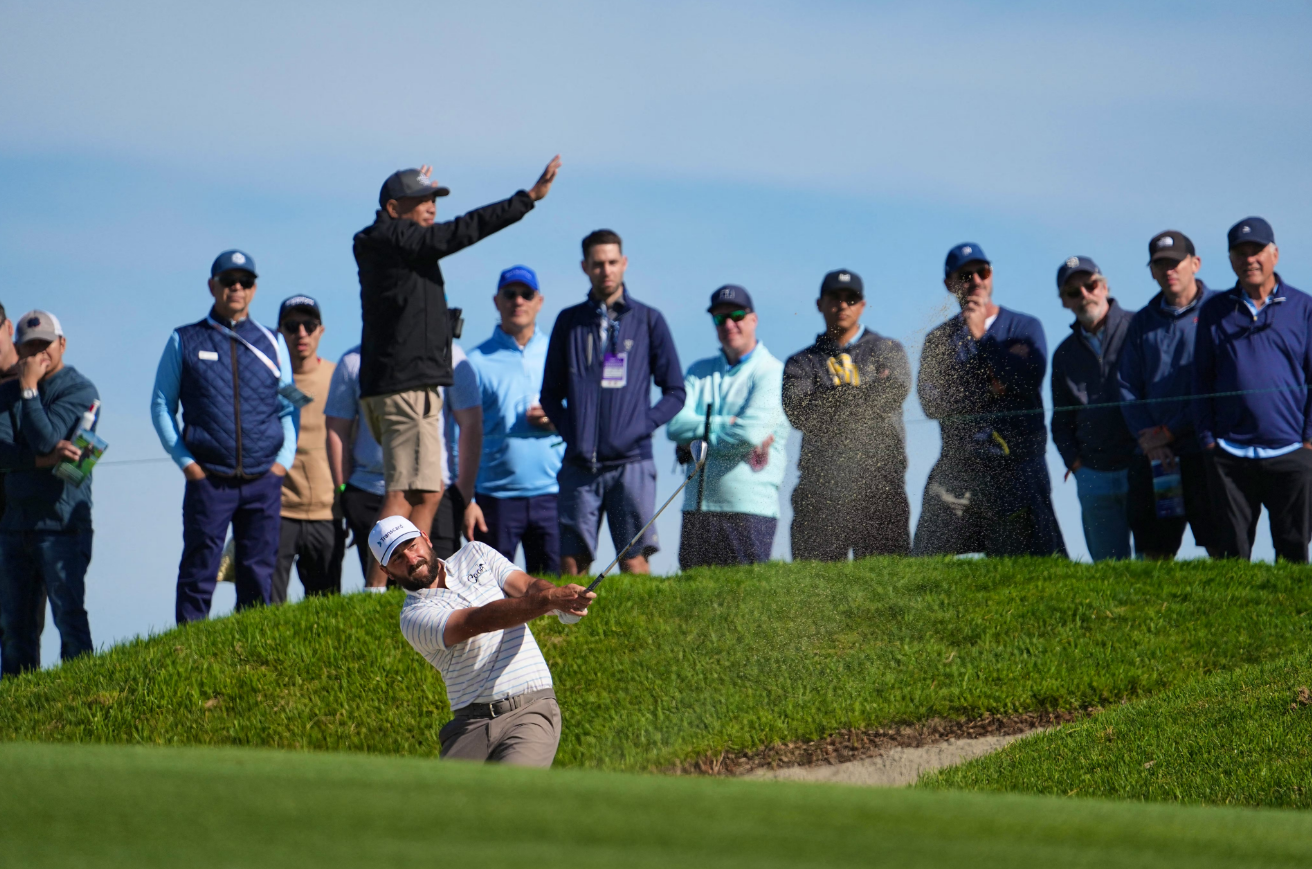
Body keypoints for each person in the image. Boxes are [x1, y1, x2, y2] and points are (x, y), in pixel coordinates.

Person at [354, 157, 560, 541]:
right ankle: (376, 590)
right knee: (402, 493)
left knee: (428, 492)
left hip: (415, 383)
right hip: (405, 386)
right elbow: (463, 231)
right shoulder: (389, 238)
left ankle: (417, 587)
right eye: (422, 200)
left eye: (435, 198)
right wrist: (527, 199)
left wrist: (414, 193)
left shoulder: (399, 242)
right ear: (394, 209)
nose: (432, 206)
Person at [151, 250, 297, 623]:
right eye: (229, 281)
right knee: (200, 569)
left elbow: (290, 407)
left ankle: (251, 651)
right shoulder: (183, 339)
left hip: (264, 478)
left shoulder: (273, 341)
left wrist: (282, 464)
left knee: (258, 571)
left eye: (244, 281)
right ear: (212, 286)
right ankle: (186, 648)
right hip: (208, 479)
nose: (236, 288)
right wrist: (187, 464)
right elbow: (161, 404)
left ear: (254, 289)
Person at [378, 515, 593, 765]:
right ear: (386, 572)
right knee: (448, 804)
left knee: (510, 796)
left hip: (529, 709)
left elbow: (527, 586)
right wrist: (550, 600)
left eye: (412, 546)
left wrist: (560, 604)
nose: (412, 560)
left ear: (425, 537)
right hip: (469, 726)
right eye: (397, 559)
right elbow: (480, 620)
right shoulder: (413, 617)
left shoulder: (475, 552)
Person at [541, 230, 685, 576]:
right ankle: (571, 630)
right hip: (580, 465)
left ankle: (645, 627)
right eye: (597, 264)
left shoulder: (649, 319)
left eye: (612, 262)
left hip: (632, 462)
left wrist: (639, 428)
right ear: (585, 267)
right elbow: (549, 395)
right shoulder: (569, 321)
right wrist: (573, 435)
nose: (606, 270)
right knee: (571, 563)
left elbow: (675, 392)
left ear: (624, 264)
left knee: (633, 559)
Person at [913, 243, 1066, 558]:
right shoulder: (938, 340)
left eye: (982, 272)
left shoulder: (1025, 327)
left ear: (991, 274)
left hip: (1018, 465)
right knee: (923, 565)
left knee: (1030, 568)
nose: (976, 280)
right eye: (965, 274)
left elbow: (1025, 380)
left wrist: (982, 338)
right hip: (959, 467)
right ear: (949, 284)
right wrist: (988, 389)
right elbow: (932, 403)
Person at [1194, 217, 1312, 563]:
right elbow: (1200, 381)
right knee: (1232, 557)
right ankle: (1233, 617)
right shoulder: (1215, 311)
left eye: (1257, 251)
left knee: (1293, 550)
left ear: (1274, 254)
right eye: (1240, 253)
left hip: (1291, 449)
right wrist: (1208, 441)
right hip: (1230, 452)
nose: (1250, 259)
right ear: (1231, 260)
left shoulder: (1304, 309)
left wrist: (1308, 440)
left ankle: (1295, 615)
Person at [324, 343, 481, 588]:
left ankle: (378, 594)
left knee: (438, 584)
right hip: (367, 488)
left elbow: (470, 421)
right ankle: (374, 593)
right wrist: (344, 490)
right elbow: (337, 427)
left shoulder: (449, 354)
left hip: (440, 490)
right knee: (393, 572)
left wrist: (465, 492)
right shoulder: (354, 360)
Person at [782, 271, 910, 560]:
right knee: (817, 587)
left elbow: (893, 392)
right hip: (820, 488)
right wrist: (863, 393)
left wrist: (829, 398)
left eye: (850, 299)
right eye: (834, 298)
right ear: (819, 304)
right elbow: (799, 412)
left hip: (882, 485)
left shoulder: (888, 349)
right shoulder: (800, 361)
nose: (842, 305)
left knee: (886, 584)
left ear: (862, 305)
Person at [0, 311, 98, 676]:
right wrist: (41, 461)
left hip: (62, 526)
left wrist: (28, 390)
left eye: (46, 345)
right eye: (31, 347)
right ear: (17, 348)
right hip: (14, 526)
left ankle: (84, 698)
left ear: (63, 344)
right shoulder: (5, 393)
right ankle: (17, 716)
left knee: (69, 619)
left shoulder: (79, 390)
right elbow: (3, 452)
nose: (40, 354)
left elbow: (45, 436)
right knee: (16, 632)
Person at [669, 285, 790, 568]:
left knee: (745, 606)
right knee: (694, 606)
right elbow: (675, 425)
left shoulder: (773, 372)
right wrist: (728, 423)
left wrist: (696, 441)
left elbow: (748, 434)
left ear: (753, 319)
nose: (729, 324)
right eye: (719, 318)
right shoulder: (698, 371)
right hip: (696, 508)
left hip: (750, 510)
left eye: (736, 315)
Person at [1118, 230, 1218, 560]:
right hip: (1154, 457)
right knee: (1152, 553)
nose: (1168, 271)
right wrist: (1149, 439)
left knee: (1223, 548)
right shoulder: (1141, 322)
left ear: (1195, 263)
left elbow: (1216, 384)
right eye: (1160, 264)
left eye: (1175, 263)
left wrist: (1171, 430)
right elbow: (1127, 386)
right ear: (1151, 271)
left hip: (1205, 450)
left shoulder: (1220, 312)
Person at [463, 266, 564, 573]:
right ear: (497, 301)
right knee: (491, 596)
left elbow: (585, 416)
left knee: (553, 595)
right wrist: (467, 500)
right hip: (493, 498)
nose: (518, 301)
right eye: (510, 294)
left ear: (539, 301)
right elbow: (458, 437)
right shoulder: (474, 361)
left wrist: (555, 418)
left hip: (554, 492)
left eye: (526, 294)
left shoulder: (559, 353)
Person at [1049, 257, 1137, 561]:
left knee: (1156, 561)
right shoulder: (1063, 354)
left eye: (1090, 285)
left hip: (1143, 465)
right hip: (1093, 475)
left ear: (1105, 285)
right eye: (1074, 292)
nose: (1085, 295)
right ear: (1064, 301)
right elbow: (1060, 421)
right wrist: (1076, 464)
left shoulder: (1138, 328)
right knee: (1108, 570)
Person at [271, 295, 339, 603]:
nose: (301, 333)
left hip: (328, 510)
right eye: (292, 326)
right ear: (279, 332)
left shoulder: (341, 377)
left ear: (320, 331)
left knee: (325, 608)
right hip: (277, 509)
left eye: (309, 325)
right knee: (265, 606)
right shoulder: (265, 379)